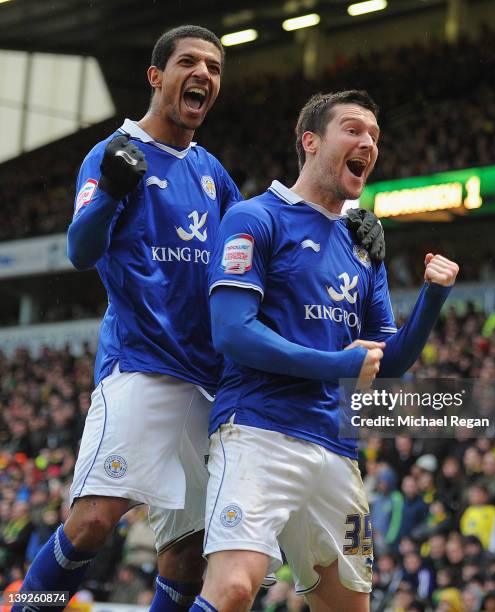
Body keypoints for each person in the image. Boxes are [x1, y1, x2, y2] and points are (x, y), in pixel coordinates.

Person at [15, 29, 385, 612]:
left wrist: (351, 225)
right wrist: (112, 188)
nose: (204, 74)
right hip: (142, 365)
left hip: (212, 385)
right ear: (156, 76)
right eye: (189, 62)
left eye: (214, 68)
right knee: (92, 521)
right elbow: (80, 251)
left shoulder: (213, 172)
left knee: (187, 557)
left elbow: (269, 240)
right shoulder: (112, 150)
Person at [194, 90, 459, 612]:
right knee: (232, 590)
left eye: (375, 137)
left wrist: (433, 297)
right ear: (310, 142)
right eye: (355, 130)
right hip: (258, 431)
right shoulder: (254, 218)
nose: (369, 144)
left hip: (338, 451)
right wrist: (337, 365)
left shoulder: (364, 244)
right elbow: (232, 332)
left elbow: (391, 360)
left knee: (350, 608)